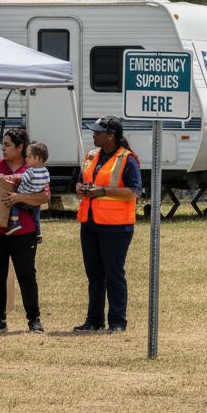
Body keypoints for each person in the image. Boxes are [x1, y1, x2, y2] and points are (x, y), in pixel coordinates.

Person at [74, 116, 142, 334]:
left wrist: (103, 191)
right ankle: (94, 320)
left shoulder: (127, 159)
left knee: (113, 274)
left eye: (98, 132)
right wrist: (81, 188)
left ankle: (117, 322)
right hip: (90, 222)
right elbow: (80, 180)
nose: (93, 135)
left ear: (111, 135)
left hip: (116, 226)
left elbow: (133, 192)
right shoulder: (91, 155)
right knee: (94, 275)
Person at [0, 127, 48, 334]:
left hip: (23, 232)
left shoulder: (33, 168)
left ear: (21, 147)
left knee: (26, 275)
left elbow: (44, 198)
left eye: (7, 145)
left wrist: (18, 198)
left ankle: (34, 320)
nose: (3, 148)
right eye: (3, 144)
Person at [3, 141, 50, 235]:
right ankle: (38, 233)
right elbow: (46, 182)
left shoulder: (30, 171)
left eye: (28, 157)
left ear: (37, 158)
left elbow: (22, 180)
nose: (26, 159)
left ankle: (15, 222)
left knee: (13, 202)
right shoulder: (45, 171)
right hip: (34, 201)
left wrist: (16, 187)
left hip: (22, 199)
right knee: (36, 215)